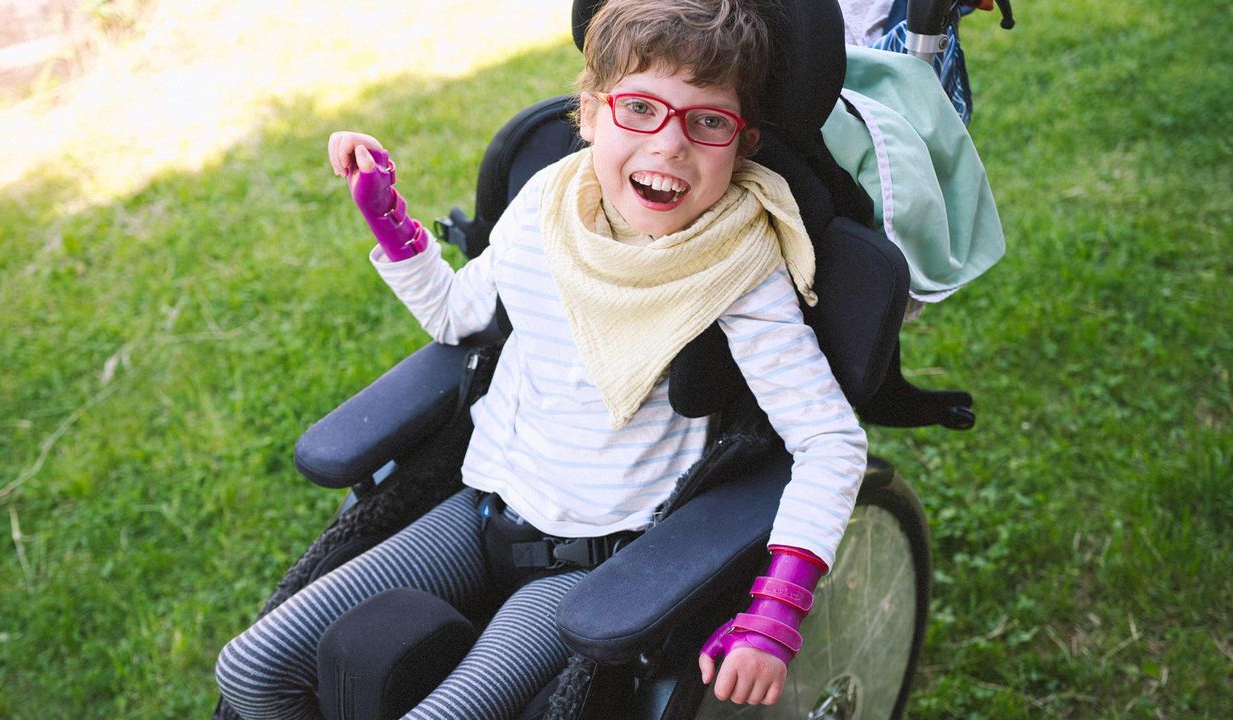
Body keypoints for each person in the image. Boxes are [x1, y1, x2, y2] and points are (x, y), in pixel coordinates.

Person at [215, 0, 867, 717]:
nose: (670, 146)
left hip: (591, 560)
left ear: (741, 145)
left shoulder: (737, 265)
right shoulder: (549, 204)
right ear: (588, 114)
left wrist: (775, 611)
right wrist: (388, 219)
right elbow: (456, 316)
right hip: (481, 509)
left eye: (707, 121)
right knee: (251, 669)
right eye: (640, 108)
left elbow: (829, 441)